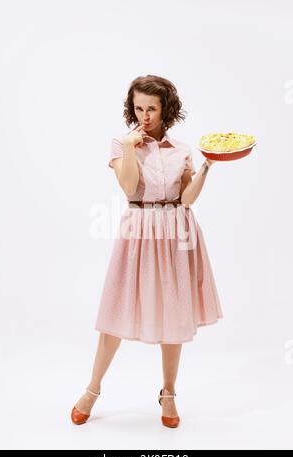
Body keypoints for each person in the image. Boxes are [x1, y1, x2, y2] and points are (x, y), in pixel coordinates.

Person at [71, 74, 223, 428]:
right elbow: (127, 185)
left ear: (165, 109)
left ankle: (168, 393)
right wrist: (128, 147)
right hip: (138, 229)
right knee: (115, 310)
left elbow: (186, 199)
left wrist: (206, 166)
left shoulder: (182, 150)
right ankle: (92, 389)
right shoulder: (121, 144)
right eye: (138, 108)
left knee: (174, 313)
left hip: (177, 231)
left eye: (151, 108)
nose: (144, 115)